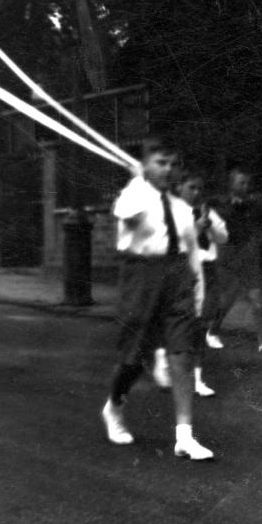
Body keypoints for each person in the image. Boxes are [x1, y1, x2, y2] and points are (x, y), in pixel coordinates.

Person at [100, 136, 214, 460]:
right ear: (146, 165)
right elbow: (125, 212)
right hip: (141, 278)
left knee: (182, 354)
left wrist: (199, 293)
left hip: (177, 280)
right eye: (160, 163)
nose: (168, 169)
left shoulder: (182, 208)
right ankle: (114, 405)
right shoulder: (133, 195)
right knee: (133, 359)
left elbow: (191, 254)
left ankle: (184, 436)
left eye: (173, 164)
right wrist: (138, 179)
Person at [151, 168, 228, 398]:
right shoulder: (172, 214)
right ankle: (163, 359)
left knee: (202, 324)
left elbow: (223, 237)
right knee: (179, 322)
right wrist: (195, 229)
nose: (196, 193)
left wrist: (209, 225)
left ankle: (197, 378)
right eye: (191, 188)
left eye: (199, 189)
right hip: (182, 271)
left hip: (207, 270)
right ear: (179, 189)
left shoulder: (206, 212)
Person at [207, 165, 262, 354]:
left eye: (248, 183)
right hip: (229, 256)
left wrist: (258, 242)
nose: (246, 186)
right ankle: (212, 331)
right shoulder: (220, 205)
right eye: (241, 183)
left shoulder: (255, 205)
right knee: (226, 300)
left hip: (249, 255)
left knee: (258, 301)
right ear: (231, 185)